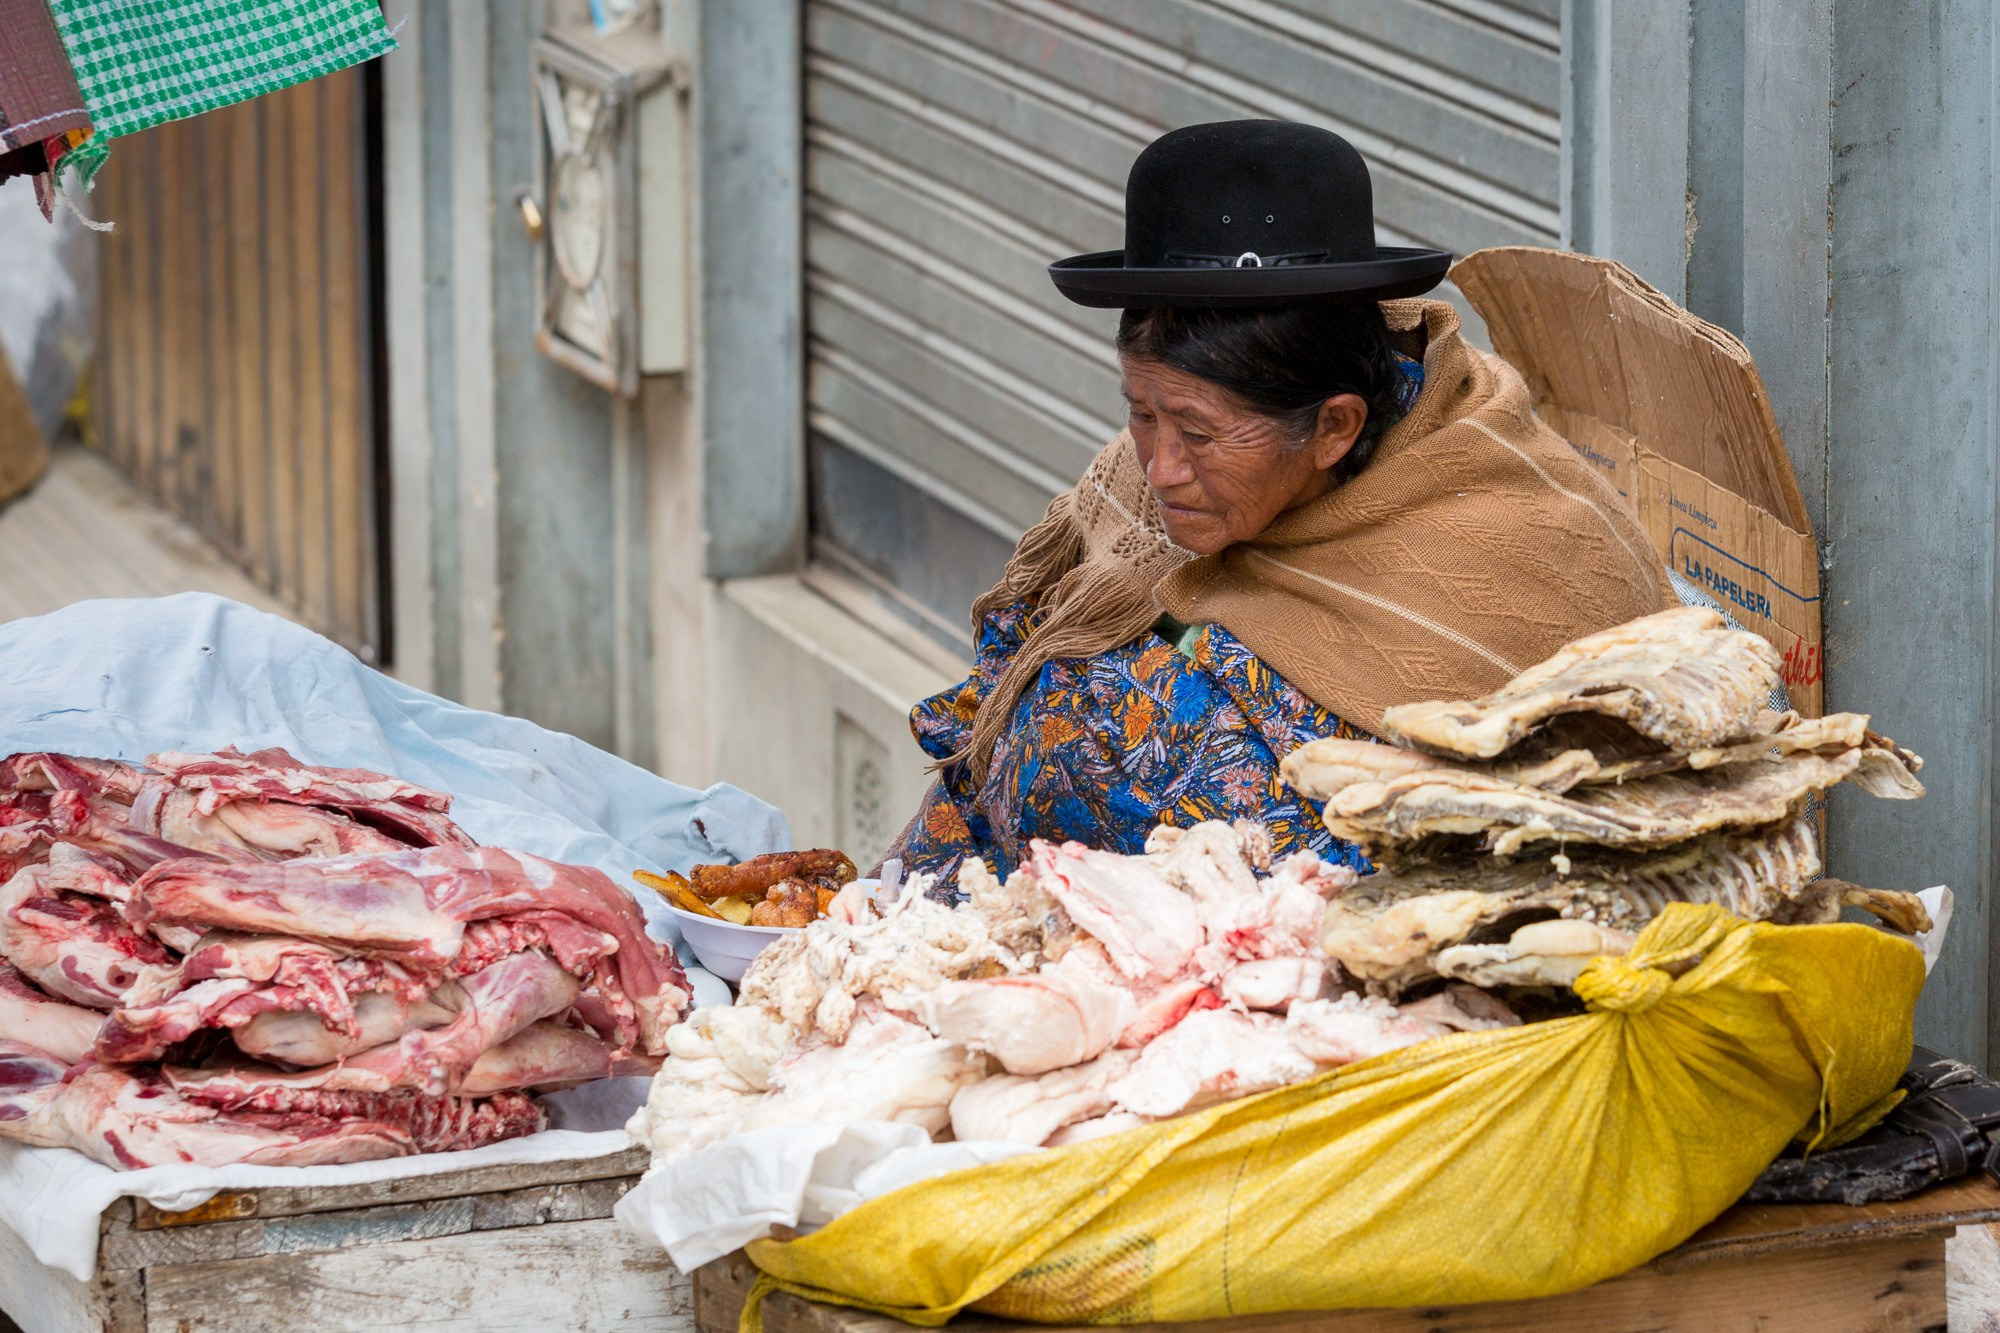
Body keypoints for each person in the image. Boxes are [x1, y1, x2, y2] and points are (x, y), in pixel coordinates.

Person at [885, 119, 1670, 892]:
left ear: (1333, 426)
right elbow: (1011, 670)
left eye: (1196, 431)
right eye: (1141, 411)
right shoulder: (1169, 463)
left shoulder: (1499, 527)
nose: (1158, 468)